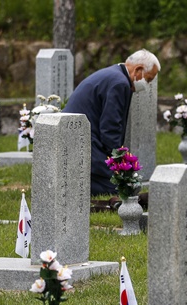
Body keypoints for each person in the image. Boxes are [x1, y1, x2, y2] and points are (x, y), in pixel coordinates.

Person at [63, 49, 160, 197]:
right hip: (84, 144)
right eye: (147, 79)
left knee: (125, 184)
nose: (146, 85)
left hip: (79, 138)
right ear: (138, 70)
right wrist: (121, 163)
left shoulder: (114, 75)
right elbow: (110, 128)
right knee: (121, 188)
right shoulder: (119, 83)